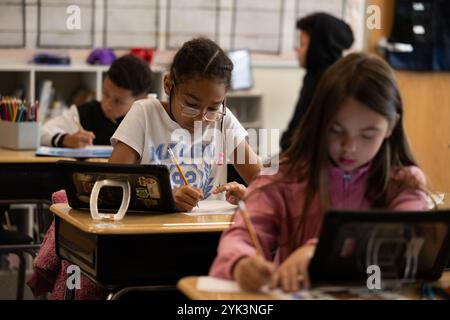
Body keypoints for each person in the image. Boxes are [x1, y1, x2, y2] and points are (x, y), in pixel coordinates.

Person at [209, 53, 430, 293]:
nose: (349, 146)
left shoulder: (404, 183)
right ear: (319, 122)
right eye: (336, 130)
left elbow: (406, 244)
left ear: (391, 126)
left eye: (368, 134)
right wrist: (240, 263)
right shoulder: (283, 177)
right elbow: (241, 234)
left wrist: (319, 249)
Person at [110, 38, 262, 211]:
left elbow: (266, 186)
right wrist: (164, 197)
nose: (202, 118)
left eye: (213, 107)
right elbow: (112, 185)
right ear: (168, 85)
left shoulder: (223, 120)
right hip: (151, 233)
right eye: (191, 105)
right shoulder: (145, 113)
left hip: (207, 233)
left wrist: (248, 194)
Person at [40, 54, 153, 148]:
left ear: (142, 100)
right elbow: (41, 133)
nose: (107, 105)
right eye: (105, 93)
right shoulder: (84, 113)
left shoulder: (147, 122)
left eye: (118, 101)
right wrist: (66, 139)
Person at [280, 13, 354, 152]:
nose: (298, 50)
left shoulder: (324, 82)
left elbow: (296, 138)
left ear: (317, 48)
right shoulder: (319, 75)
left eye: (303, 44)